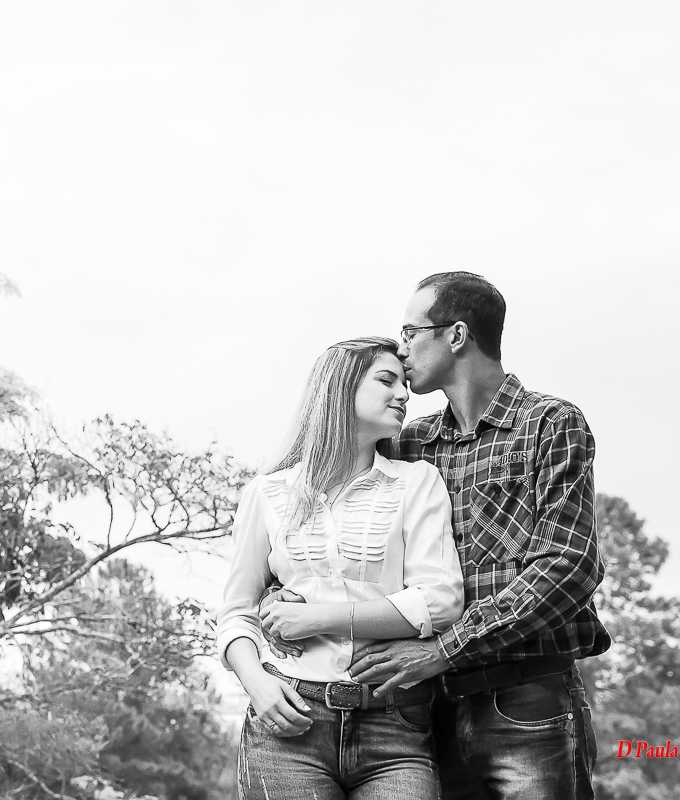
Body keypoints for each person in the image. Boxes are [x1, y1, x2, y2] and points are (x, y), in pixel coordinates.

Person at [348, 272, 611, 799]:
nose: (401, 351)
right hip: (425, 708)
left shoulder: (550, 423)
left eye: (409, 331)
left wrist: (445, 649)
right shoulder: (409, 443)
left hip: (527, 696)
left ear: (456, 335)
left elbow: (567, 565)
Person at [217, 336, 465, 800]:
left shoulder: (417, 482)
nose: (404, 394)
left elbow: (441, 599)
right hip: (289, 722)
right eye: (386, 380)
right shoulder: (267, 494)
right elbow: (236, 613)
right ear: (341, 389)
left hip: (395, 724)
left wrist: (319, 617)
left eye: (404, 383)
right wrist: (257, 685)